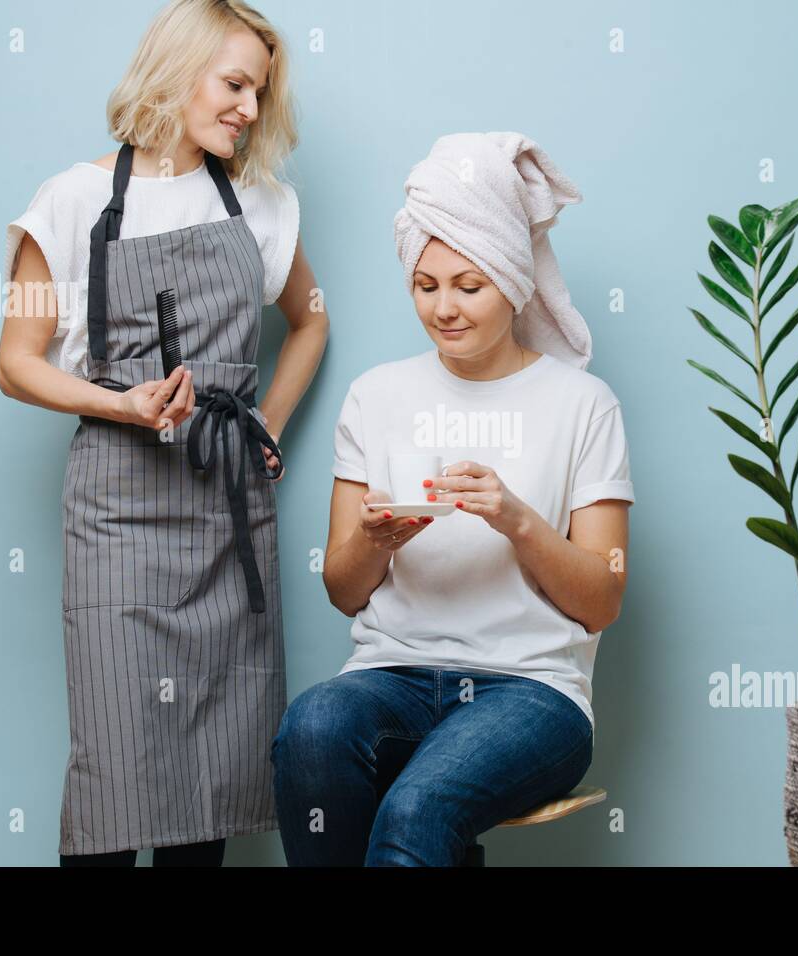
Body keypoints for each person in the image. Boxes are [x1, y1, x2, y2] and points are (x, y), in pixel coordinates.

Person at [0, 0, 327, 867]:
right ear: (177, 69)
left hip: (224, 510)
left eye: (258, 91)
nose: (250, 109)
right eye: (235, 84)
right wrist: (123, 405)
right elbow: (16, 362)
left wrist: (268, 430)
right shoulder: (68, 202)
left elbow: (311, 321)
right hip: (116, 514)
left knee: (205, 782)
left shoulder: (261, 204)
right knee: (114, 772)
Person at [271, 131, 634, 866]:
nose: (444, 308)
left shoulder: (582, 404)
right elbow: (344, 592)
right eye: (425, 285)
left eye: (469, 285)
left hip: (532, 690)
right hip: (390, 675)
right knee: (310, 729)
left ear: (513, 279)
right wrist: (375, 540)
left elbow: (602, 600)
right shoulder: (376, 395)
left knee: (417, 807)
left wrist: (517, 519)